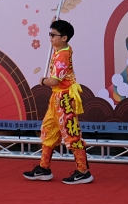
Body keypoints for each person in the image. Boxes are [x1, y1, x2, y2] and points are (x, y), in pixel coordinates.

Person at [23, 19, 92, 184]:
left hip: (65, 98)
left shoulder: (63, 54)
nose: (50, 38)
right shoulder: (61, 48)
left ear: (64, 37)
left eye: (54, 35)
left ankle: (83, 171)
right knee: (48, 130)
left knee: (71, 133)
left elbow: (54, 81)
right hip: (56, 98)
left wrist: (42, 81)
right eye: (50, 34)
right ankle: (44, 167)